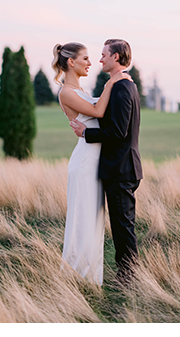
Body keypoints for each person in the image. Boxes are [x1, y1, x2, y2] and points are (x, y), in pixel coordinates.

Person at [53, 42, 129, 285]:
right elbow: (97, 111)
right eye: (85, 58)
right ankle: (76, 274)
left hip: (97, 161)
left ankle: (91, 276)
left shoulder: (81, 89)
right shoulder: (66, 92)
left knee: (94, 220)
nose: (90, 62)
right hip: (85, 162)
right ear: (71, 63)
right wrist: (111, 83)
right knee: (83, 218)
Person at [70, 39, 142, 284]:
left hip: (121, 168)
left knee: (123, 227)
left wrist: (86, 133)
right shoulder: (120, 84)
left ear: (117, 57)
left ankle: (129, 277)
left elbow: (119, 131)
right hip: (119, 167)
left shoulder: (122, 87)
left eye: (103, 55)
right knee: (122, 225)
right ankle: (127, 273)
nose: (99, 59)